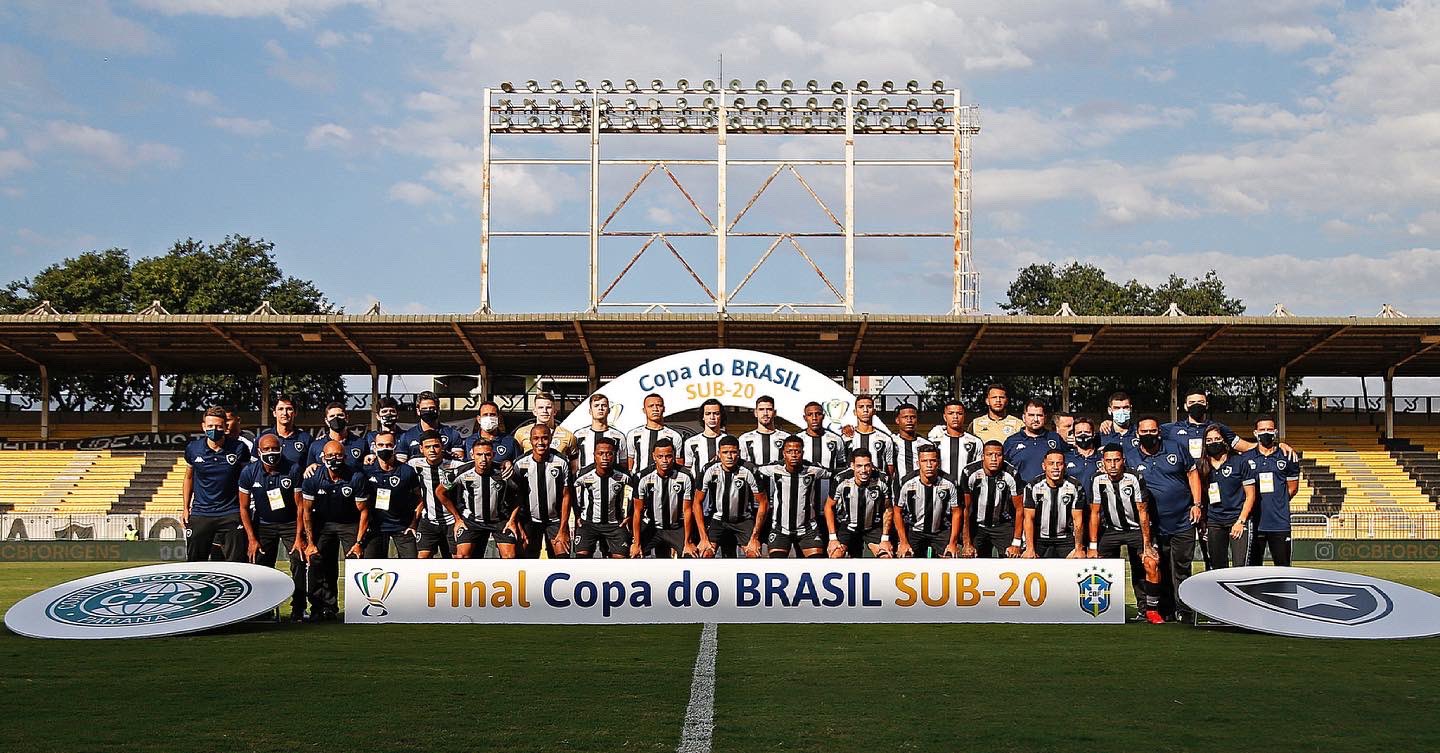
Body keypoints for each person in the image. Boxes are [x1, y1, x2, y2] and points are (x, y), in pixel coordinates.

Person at [1126, 416, 1203, 621]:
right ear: (1137, 434)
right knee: (1159, 567)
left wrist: (1197, 504)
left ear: (1159, 432)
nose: (1149, 435)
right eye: (1144, 432)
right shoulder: (1131, 457)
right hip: (1153, 525)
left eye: (1152, 431)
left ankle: (1185, 609)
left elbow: (1192, 474)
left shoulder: (1175, 448)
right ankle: (1165, 609)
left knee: (1181, 567)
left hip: (1183, 519)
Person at [1087, 443, 1164, 624]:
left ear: (1123, 461)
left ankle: (1151, 610)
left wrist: (1147, 545)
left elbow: (1143, 512)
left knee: (1151, 562)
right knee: (1091, 562)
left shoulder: (1134, 478)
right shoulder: (1097, 479)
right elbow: (1095, 513)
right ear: (1102, 463)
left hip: (1136, 529)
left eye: (1116, 460)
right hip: (1111, 530)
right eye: (1108, 461)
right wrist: (1092, 546)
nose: (1113, 465)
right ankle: (1103, 609)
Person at [237, 433, 306, 620]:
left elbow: (300, 506)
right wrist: (251, 538)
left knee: (299, 563)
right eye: (266, 449)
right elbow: (243, 508)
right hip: (263, 525)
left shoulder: (293, 469)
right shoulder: (249, 472)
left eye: (274, 449)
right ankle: (261, 610)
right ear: (258, 452)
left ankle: (299, 609)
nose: (271, 453)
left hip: (290, 524)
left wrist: (300, 536)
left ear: (281, 449)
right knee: (261, 567)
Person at [299, 439, 370, 621]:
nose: (334, 459)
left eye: (338, 455)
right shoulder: (313, 478)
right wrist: (310, 543)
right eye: (330, 456)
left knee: (357, 560)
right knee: (317, 561)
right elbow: (306, 511)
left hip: (349, 522)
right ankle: (320, 607)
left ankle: (361, 609)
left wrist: (359, 542)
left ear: (345, 457)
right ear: (323, 458)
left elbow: (364, 512)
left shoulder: (356, 477)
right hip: (323, 524)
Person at [183, 406, 252, 562]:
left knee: (237, 562)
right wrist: (186, 508)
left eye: (219, 426)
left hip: (231, 512)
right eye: (210, 426)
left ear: (226, 427)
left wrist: (245, 509)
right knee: (195, 562)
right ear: (203, 427)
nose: (214, 429)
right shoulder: (193, 449)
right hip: (201, 513)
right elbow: (188, 478)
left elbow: (246, 480)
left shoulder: (239, 448)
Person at [693, 435, 767, 558]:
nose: (729, 456)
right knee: (705, 554)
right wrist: (703, 538)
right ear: (719, 453)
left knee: (754, 554)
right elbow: (696, 502)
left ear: (739, 453)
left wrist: (755, 537)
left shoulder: (749, 469)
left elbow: (763, 502)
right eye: (725, 452)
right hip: (718, 520)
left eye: (733, 452)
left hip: (743, 520)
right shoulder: (709, 469)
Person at [756, 436, 830, 557]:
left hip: (808, 530)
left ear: (803, 453)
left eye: (797, 451)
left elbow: (836, 473)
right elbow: (752, 469)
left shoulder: (813, 470)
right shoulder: (774, 469)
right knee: (777, 566)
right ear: (783, 453)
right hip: (780, 530)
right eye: (790, 451)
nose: (794, 455)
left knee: (817, 565)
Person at [1242, 416, 1300, 566]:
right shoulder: (1246, 458)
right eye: (1262, 430)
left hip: (1280, 523)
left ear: (1275, 432)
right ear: (1255, 433)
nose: (1266, 433)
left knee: (1283, 569)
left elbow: (1292, 489)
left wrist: (1277, 502)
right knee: (1252, 571)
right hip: (1254, 523)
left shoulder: (1288, 456)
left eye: (1269, 429)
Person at [451, 439, 523, 559]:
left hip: (499, 520)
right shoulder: (461, 472)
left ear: (493, 455)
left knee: (510, 557)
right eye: (479, 455)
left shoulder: (503, 471)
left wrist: (512, 520)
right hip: (472, 521)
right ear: (472, 455)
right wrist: (457, 518)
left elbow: (520, 494)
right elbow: (440, 491)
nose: (483, 459)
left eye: (487, 454)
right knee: (461, 556)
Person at [512, 424, 575, 558]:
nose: (540, 442)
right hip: (529, 520)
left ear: (551, 439)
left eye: (545, 438)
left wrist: (563, 528)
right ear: (530, 441)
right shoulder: (520, 464)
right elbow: (515, 497)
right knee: (524, 559)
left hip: (555, 520)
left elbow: (567, 496)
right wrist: (518, 524)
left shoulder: (561, 462)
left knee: (562, 557)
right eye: (536, 438)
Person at [1200, 424, 1256, 569]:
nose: (1214, 442)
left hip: (1237, 520)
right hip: (1214, 522)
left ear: (1224, 441)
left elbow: (1250, 495)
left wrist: (1241, 521)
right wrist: (1203, 524)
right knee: (1217, 568)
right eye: (1209, 440)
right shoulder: (1202, 466)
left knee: (1241, 567)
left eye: (1217, 438)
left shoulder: (1239, 462)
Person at [361, 428, 421, 559]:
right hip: (376, 528)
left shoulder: (407, 471)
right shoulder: (366, 471)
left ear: (395, 446)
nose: (384, 448)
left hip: (403, 527)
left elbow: (420, 499)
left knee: (412, 568)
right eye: (381, 445)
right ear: (374, 447)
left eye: (388, 445)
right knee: (372, 569)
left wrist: (413, 523)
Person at [572, 437, 636, 559]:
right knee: (581, 560)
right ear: (594, 455)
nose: (605, 457)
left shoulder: (624, 475)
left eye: (609, 454)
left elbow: (636, 496)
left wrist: (629, 515)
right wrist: (577, 516)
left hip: (615, 525)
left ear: (614, 455)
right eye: (601, 454)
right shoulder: (583, 475)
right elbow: (571, 494)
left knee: (621, 561)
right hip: (589, 524)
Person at [893, 445, 962, 558]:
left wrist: (953, 543)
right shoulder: (907, 482)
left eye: (933, 461)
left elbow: (957, 512)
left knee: (950, 557)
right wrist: (903, 542)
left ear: (938, 463)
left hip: (941, 530)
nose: (929, 465)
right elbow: (897, 512)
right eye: (924, 461)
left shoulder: (949, 482)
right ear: (918, 463)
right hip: (914, 530)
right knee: (905, 556)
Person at [632, 438, 696, 558]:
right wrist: (636, 543)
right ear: (654, 456)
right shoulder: (642, 477)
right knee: (633, 554)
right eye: (660, 456)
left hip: (676, 528)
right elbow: (637, 511)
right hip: (651, 527)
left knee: (691, 555)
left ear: (674, 456)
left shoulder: (685, 476)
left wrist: (688, 542)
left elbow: (687, 510)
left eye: (668, 456)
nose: (664, 460)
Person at [958, 441, 1022, 558]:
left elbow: (1020, 509)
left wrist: (1016, 543)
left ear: (1003, 457)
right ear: (983, 457)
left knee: (1013, 558)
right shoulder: (970, 472)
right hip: (977, 526)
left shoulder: (1011, 473)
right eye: (989, 455)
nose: (994, 459)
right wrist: (967, 543)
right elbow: (965, 509)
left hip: (1002, 525)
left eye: (998, 455)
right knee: (971, 559)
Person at [825, 449, 893, 558]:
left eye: (867, 465)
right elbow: (829, 506)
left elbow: (888, 508)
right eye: (859, 466)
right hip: (848, 527)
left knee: (886, 557)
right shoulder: (841, 479)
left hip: (872, 527)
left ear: (871, 465)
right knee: (835, 555)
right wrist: (833, 538)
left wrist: (885, 538)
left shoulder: (882, 479)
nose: (864, 470)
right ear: (852, 466)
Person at [408, 430, 465, 559]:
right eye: (428, 447)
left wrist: (504, 463)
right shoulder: (414, 464)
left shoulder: (456, 466)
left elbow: (477, 465)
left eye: (436, 446)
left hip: (452, 521)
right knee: (422, 558)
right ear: (421, 449)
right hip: (429, 521)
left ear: (442, 447)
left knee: (457, 558)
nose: (432, 450)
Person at [1021, 449, 1085, 559]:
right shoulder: (1033, 486)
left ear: (1064, 466)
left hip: (1066, 539)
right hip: (1039, 538)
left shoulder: (1075, 486)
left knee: (1076, 563)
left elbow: (1078, 521)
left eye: (1059, 464)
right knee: (1029, 562)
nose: (1055, 467)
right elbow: (1028, 519)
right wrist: (1030, 548)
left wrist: (1079, 548)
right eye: (1051, 464)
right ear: (1044, 466)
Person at [1002, 399, 1069, 483]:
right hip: (1021, 493)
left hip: (1049, 493)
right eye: (1031, 415)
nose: (1035, 419)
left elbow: (1069, 463)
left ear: (1045, 417)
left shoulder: (1055, 438)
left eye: (1039, 415)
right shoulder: (1011, 441)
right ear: (1023, 417)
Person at [1064, 416, 1104, 545]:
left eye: (1086, 433)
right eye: (1079, 433)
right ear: (1074, 436)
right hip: (1071, 518)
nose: (1083, 436)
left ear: (1093, 434)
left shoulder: (1103, 459)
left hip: (1099, 517)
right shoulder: (1065, 458)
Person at [398, 390, 463, 463]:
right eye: (424, 409)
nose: (428, 411)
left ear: (438, 410)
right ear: (418, 411)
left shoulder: (452, 434)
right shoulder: (407, 436)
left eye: (432, 408)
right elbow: (400, 465)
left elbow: (459, 461)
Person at [624, 393, 683, 472]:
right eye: (651, 406)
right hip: (639, 480)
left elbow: (678, 461)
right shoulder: (633, 434)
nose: (655, 409)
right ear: (644, 410)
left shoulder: (674, 436)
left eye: (659, 405)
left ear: (664, 409)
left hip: (666, 480)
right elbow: (630, 459)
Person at [928, 399, 982, 483]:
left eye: (959, 413)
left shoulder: (975, 442)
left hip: (966, 492)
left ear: (964, 416)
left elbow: (979, 470)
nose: (955, 417)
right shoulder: (934, 441)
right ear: (945, 417)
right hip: (941, 490)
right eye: (951, 413)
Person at [842, 394, 894, 479]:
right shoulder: (846, 438)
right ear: (855, 412)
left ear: (874, 411)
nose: (865, 410)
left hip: (877, 485)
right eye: (861, 407)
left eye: (869, 407)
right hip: (852, 487)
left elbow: (890, 466)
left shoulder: (885, 438)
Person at [306, 402, 365, 476]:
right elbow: (309, 471)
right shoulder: (316, 445)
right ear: (326, 421)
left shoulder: (361, 443)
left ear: (346, 418)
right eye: (332, 416)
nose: (336, 418)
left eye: (340, 415)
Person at [573, 393, 628, 470]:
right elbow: (574, 462)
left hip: (612, 480)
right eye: (596, 406)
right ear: (590, 411)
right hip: (585, 480)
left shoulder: (618, 436)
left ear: (609, 410)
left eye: (604, 405)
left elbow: (623, 463)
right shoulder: (579, 435)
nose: (600, 408)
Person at [513, 391, 576, 457]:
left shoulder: (568, 436)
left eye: (548, 407)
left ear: (555, 411)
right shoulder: (521, 433)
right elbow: (515, 459)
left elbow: (574, 462)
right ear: (534, 411)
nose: (544, 411)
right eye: (540, 407)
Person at [256, 394, 312, 467]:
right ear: (274, 413)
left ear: (295, 413)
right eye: (280, 409)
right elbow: (254, 467)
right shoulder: (263, 438)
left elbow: (312, 466)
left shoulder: (306, 439)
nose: (285, 413)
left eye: (289, 409)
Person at [464, 400, 520, 469]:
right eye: (485, 415)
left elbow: (518, 467)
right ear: (479, 419)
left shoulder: (510, 441)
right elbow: (466, 467)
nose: (489, 418)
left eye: (492, 415)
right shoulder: (469, 441)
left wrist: (509, 465)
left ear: (498, 418)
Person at [738, 394, 790, 467]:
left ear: (775, 413)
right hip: (754, 478)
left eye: (769, 409)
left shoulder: (786, 438)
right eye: (761, 409)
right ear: (755, 413)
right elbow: (742, 464)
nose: (765, 413)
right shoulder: (744, 439)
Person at [890, 403, 934, 487]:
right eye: (905, 417)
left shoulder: (926, 444)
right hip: (898, 490)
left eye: (912, 417)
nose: (909, 420)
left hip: (921, 490)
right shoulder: (891, 441)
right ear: (897, 420)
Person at [683, 398, 730, 468]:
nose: (712, 417)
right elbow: (688, 468)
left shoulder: (729, 441)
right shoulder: (690, 442)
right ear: (703, 416)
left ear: (721, 416)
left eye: (716, 414)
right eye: (708, 414)